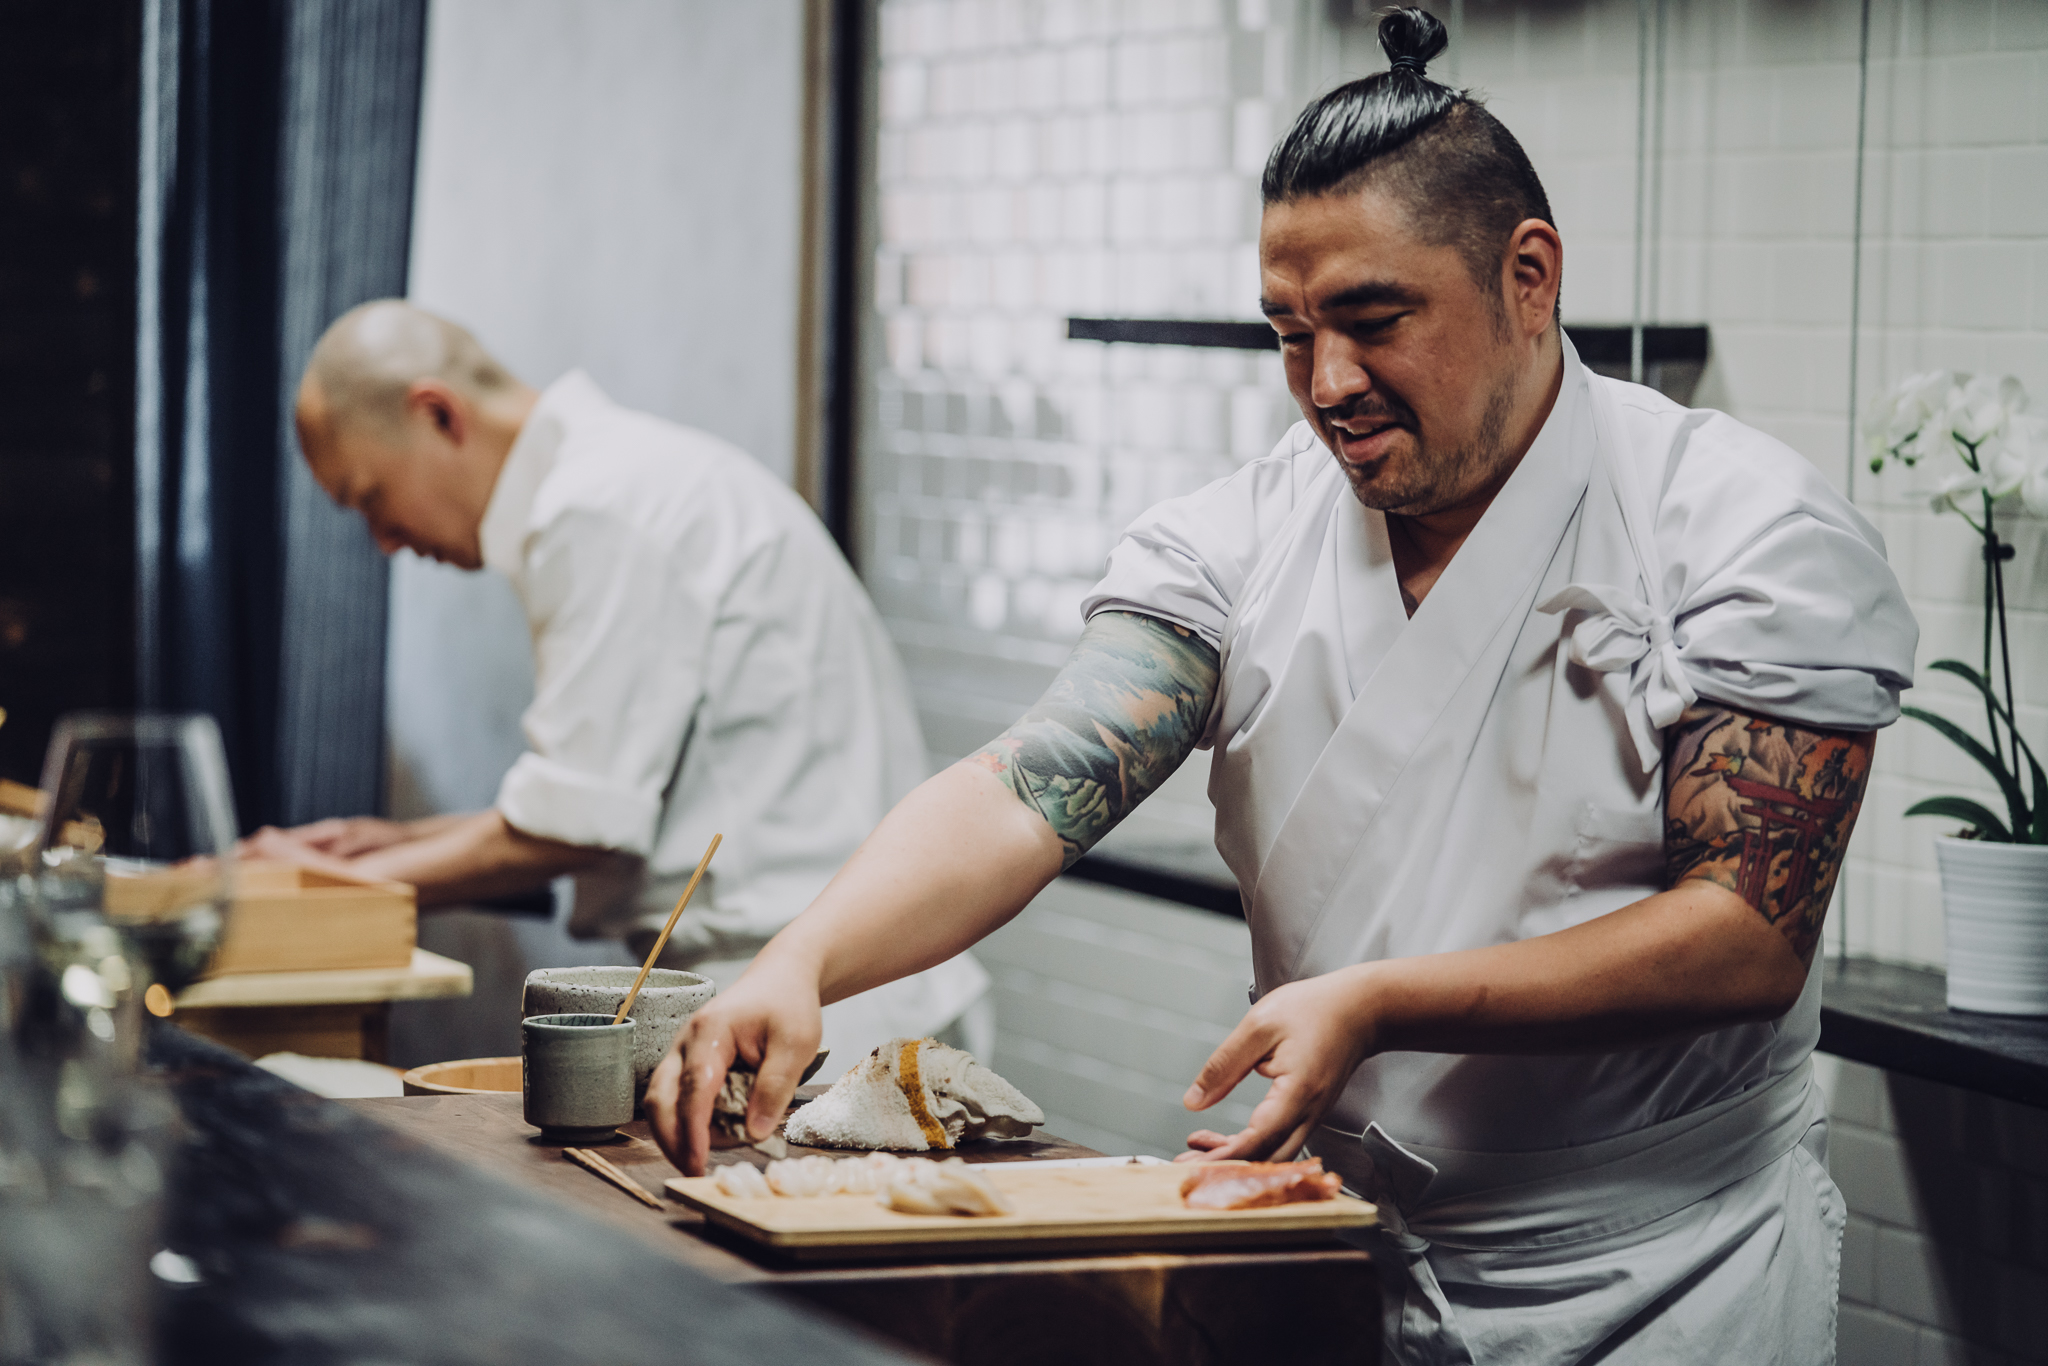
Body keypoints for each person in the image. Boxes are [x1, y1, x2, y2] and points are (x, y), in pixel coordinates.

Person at [649, 10, 1917, 1363]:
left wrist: (1378, 998)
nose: (1326, 385)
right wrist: (806, 958)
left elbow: (1746, 930)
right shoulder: (1242, 536)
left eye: (1376, 321)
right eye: (1288, 330)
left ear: (1529, 275)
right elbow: (1036, 776)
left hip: (1666, 1268)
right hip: (1332, 1250)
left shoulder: (1738, 528)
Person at [248, 300, 989, 1060]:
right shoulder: (627, 478)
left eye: (370, 497)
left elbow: (573, 827)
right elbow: (589, 800)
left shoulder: (599, 508)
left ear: (437, 414)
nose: (383, 541)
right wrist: (390, 844)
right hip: (824, 984)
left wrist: (330, 889)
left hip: (816, 1000)